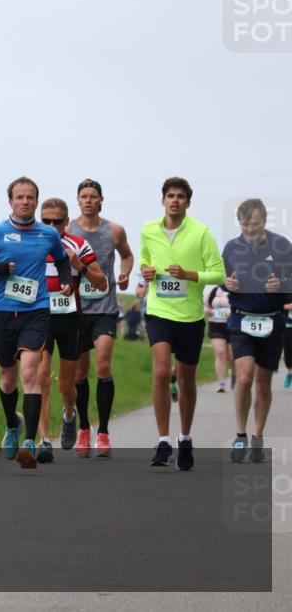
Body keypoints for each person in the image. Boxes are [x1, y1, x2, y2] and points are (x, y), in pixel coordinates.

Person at [0, 177, 71, 469]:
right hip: (1, 312)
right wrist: (0, 268)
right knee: (8, 379)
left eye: (30, 198)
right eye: (20, 197)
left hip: (36, 311)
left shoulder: (48, 234)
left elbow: (62, 260)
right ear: (10, 201)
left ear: (37, 201)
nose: (25, 202)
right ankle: (13, 425)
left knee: (30, 374)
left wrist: (64, 282)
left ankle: (30, 443)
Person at [139, 177, 224, 470]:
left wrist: (189, 275)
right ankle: (163, 440)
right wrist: (146, 272)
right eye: (170, 195)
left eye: (180, 196)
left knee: (186, 380)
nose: (175, 200)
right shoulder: (149, 230)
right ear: (162, 200)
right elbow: (144, 260)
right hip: (159, 311)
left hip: (190, 316)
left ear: (188, 202)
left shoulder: (202, 233)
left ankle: (184, 438)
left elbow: (219, 274)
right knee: (163, 372)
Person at [222, 198, 292, 463]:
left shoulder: (282, 246)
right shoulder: (231, 248)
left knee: (263, 385)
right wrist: (228, 284)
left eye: (255, 224)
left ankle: (257, 436)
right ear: (239, 223)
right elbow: (225, 279)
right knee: (243, 378)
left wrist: (282, 285)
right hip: (241, 321)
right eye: (245, 224)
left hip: (272, 321)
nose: (250, 229)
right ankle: (240, 435)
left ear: (264, 221)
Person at [36, 198, 106, 463]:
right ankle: (44, 439)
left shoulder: (78, 245)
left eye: (57, 222)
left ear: (67, 222)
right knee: (41, 377)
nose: (52, 227)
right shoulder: (33, 244)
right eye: (47, 221)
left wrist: (79, 267)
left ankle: (69, 414)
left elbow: (102, 284)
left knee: (66, 385)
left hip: (69, 319)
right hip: (40, 318)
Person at [68, 179, 135, 458]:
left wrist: (124, 274)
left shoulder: (115, 231)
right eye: (83, 196)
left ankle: (104, 432)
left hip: (105, 307)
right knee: (80, 373)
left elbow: (127, 256)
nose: (88, 200)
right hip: (77, 309)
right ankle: (84, 427)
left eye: (93, 196)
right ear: (78, 200)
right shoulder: (68, 230)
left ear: (101, 200)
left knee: (103, 365)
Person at [204, 283, 234, 393]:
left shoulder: (235, 289)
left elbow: (240, 307)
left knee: (232, 357)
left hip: (232, 325)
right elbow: (204, 305)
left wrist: (230, 313)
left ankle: (234, 374)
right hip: (216, 325)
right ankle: (221, 383)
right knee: (220, 354)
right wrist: (207, 311)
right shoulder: (212, 290)